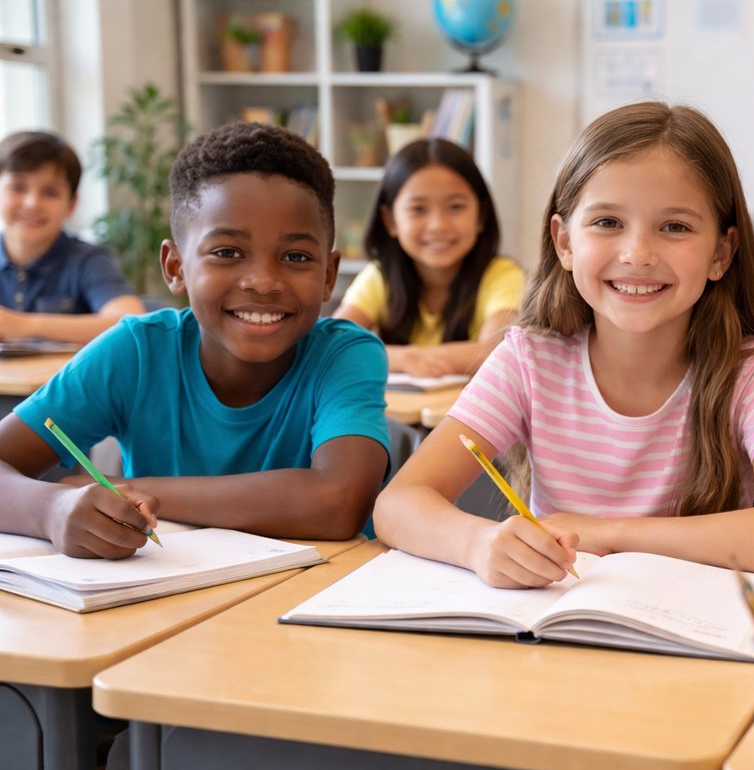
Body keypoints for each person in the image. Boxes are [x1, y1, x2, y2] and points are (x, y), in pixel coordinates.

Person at [374, 102, 754, 588]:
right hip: (547, 630)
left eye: (674, 227)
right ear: (564, 242)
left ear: (721, 252)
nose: (637, 254)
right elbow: (399, 504)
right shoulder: (528, 360)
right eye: (608, 222)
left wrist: (608, 535)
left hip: (693, 634)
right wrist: (477, 544)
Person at [0, 122, 391, 558]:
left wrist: (141, 489)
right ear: (175, 267)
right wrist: (51, 508)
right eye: (227, 252)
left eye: (296, 257)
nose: (263, 282)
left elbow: (337, 503)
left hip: (315, 607)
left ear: (329, 276)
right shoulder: (137, 352)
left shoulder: (344, 354)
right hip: (163, 603)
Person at [333, 138, 524, 377]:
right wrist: (405, 359)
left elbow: (497, 352)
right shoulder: (380, 276)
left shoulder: (502, 275)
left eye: (455, 207)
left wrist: (400, 357)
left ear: (481, 215)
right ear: (390, 220)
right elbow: (335, 346)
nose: (438, 225)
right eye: (418, 209)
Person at [0, 131, 145, 344]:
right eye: (18, 187)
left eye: (50, 192)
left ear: (71, 204)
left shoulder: (88, 260)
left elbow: (131, 322)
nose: (32, 203)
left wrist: (25, 325)